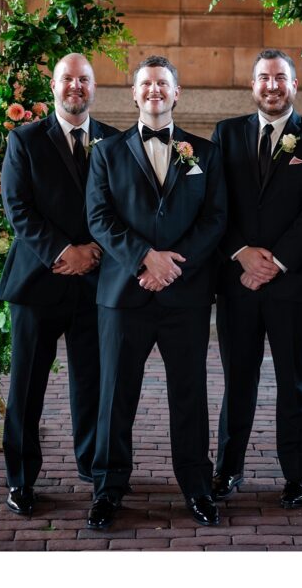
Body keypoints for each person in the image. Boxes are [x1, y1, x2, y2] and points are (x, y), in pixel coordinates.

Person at [85, 55, 227, 530]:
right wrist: (146, 259)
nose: (154, 91)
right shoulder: (105, 152)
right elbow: (99, 218)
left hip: (183, 296)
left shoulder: (203, 153)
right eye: (145, 84)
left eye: (162, 84)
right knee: (115, 396)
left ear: (176, 92)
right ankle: (108, 488)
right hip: (124, 294)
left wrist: (172, 267)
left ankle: (196, 486)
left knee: (189, 394)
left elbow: (215, 220)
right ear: (133, 92)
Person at [210, 49, 302, 509]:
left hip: (295, 284)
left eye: (280, 78)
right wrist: (242, 254)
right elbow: (214, 204)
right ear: (252, 85)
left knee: (296, 382)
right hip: (238, 284)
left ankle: (298, 476)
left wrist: (276, 261)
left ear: (294, 83)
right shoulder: (226, 135)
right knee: (237, 381)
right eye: (263, 78)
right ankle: (227, 469)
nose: (271, 86)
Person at [0, 53, 118, 517]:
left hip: (94, 284)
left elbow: (121, 206)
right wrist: (64, 252)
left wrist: (97, 252)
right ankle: (21, 480)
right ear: (54, 86)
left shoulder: (110, 139)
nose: (76, 86)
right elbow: (18, 207)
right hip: (37, 282)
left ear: (93, 86)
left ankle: (91, 466)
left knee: (93, 381)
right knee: (27, 386)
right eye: (68, 79)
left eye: (84, 79)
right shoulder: (24, 140)